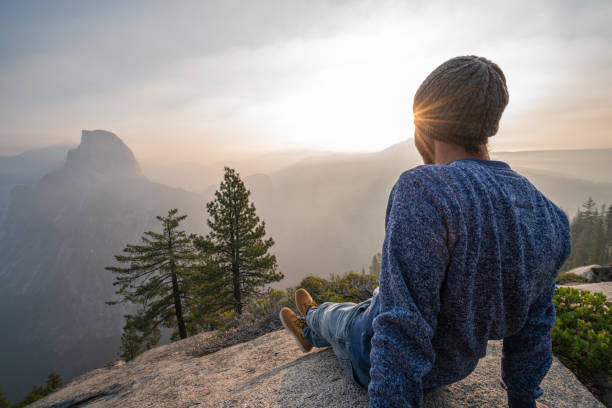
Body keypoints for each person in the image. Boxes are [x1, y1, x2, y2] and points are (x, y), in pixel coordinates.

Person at [279, 55, 571, 408]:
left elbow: (401, 329)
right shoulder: (549, 215)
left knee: (345, 319)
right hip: (452, 369)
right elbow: (534, 329)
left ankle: (310, 322)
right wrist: (522, 401)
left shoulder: (425, 189)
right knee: (374, 303)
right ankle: (314, 323)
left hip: (375, 357)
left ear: (424, 125)